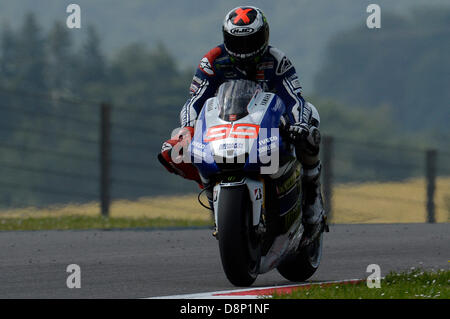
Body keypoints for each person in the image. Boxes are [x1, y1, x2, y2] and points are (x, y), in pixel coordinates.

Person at [158, 6, 327, 241]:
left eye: (251, 41)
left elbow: (294, 97)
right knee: (172, 151)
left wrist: (298, 123)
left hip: (269, 125)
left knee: (311, 127)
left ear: (264, 36)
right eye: (237, 41)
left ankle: (313, 199)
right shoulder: (212, 61)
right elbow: (194, 101)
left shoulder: (277, 60)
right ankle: (212, 193)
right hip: (226, 126)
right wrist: (187, 130)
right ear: (225, 38)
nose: (244, 49)